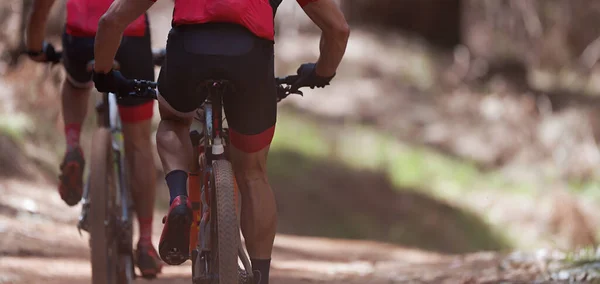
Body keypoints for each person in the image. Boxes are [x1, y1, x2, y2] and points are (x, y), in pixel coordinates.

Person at [92, 0, 349, 283]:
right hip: (251, 58)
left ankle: (179, 198)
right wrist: (321, 73)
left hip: (189, 50)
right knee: (253, 173)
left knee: (174, 123)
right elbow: (338, 29)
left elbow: (111, 21)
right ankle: (260, 276)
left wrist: (103, 74)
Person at [25, 0, 162, 278]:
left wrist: (35, 46)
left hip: (81, 38)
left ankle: (73, 145)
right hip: (129, 38)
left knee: (75, 84)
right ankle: (146, 242)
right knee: (138, 144)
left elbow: (41, 7)